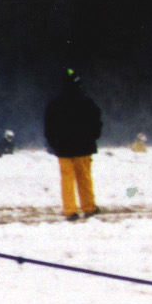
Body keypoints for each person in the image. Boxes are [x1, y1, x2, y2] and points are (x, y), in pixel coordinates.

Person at [43, 69, 102, 221]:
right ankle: (89, 207)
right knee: (84, 178)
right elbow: (97, 122)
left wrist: (53, 143)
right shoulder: (87, 102)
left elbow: (48, 127)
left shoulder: (54, 104)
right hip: (84, 147)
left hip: (63, 149)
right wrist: (93, 137)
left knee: (67, 180)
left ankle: (70, 211)